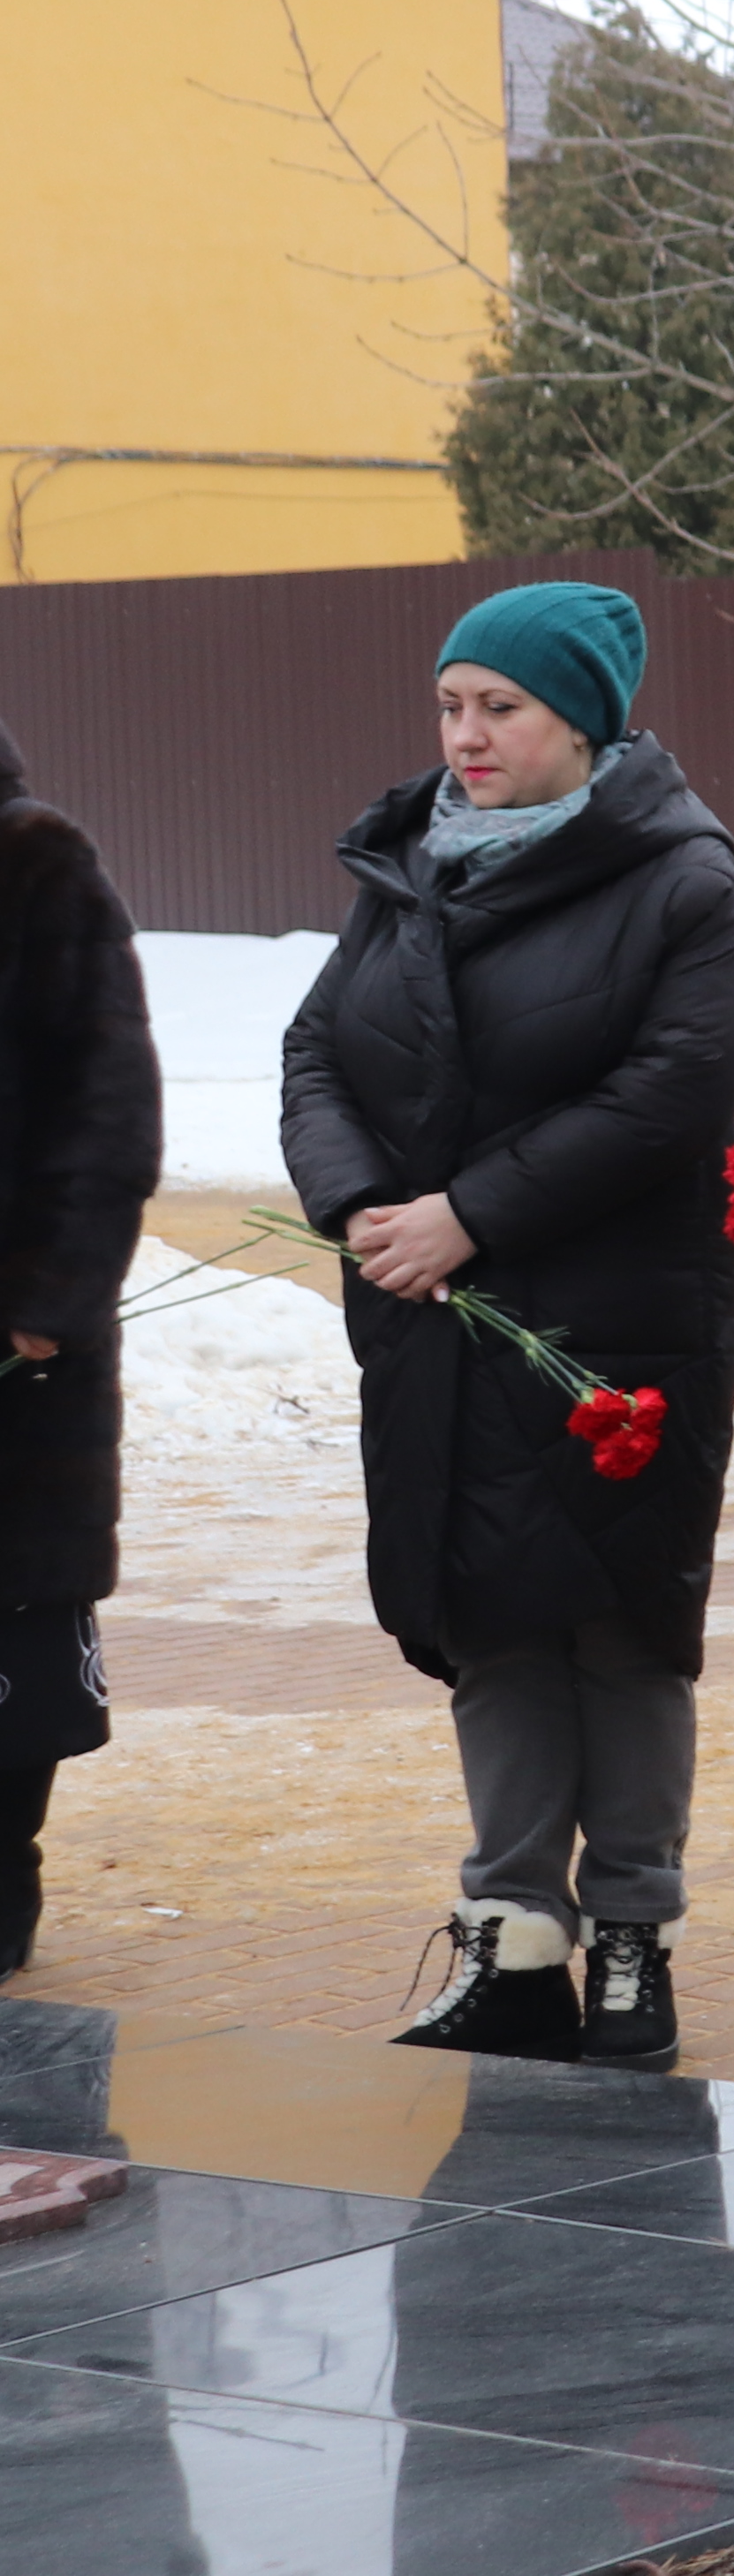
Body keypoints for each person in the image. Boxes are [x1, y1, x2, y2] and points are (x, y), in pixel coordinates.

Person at [283, 582, 734, 2066]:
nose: (467, 734)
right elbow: (316, 1047)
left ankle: (633, 1934)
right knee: (489, 1626)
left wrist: (470, 1214)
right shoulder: (410, 864)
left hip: (617, 1325)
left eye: (502, 706)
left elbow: (676, 1088)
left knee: (620, 1630)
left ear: (585, 721)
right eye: (452, 703)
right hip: (440, 1315)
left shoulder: (683, 879)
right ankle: (513, 1942)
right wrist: (364, 1204)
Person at [0, 721, 159, 1981]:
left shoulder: (36, 866)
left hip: (13, 1357)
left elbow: (106, 1104)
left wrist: (43, 1300)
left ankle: (6, 1881)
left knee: (12, 1628)